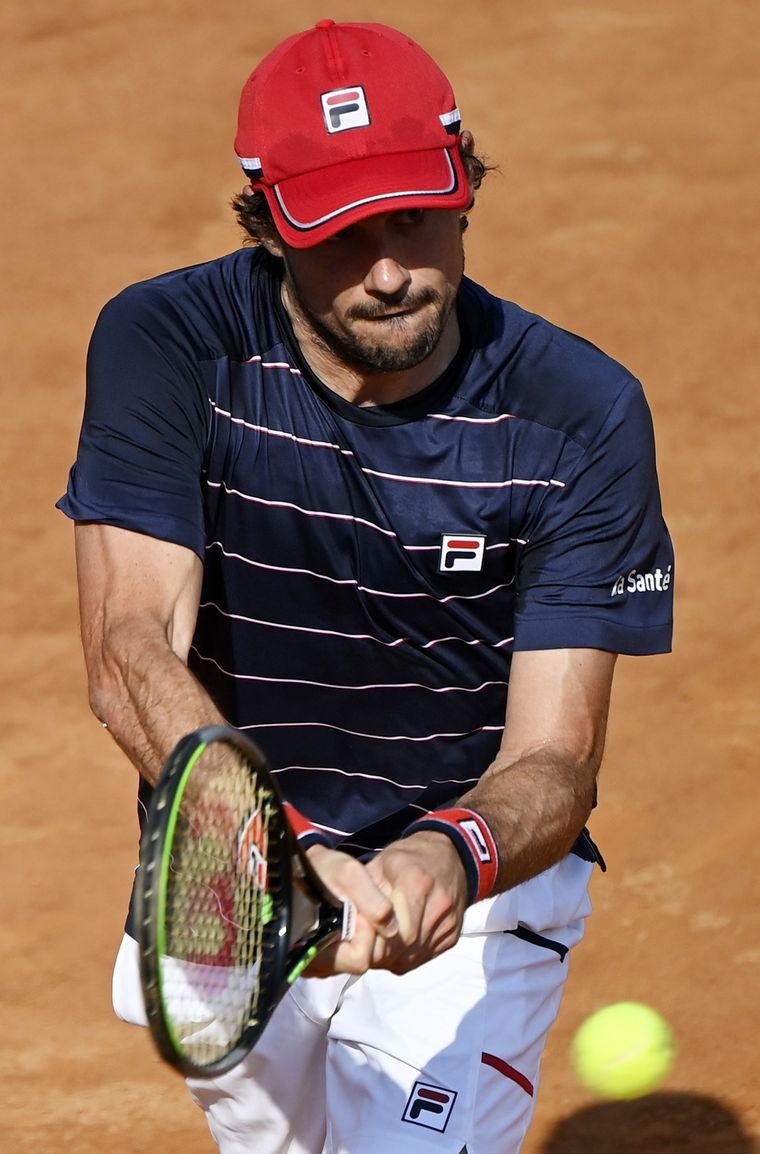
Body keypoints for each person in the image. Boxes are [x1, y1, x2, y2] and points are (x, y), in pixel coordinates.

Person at [58, 19, 674, 1154]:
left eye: (413, 215)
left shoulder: (580, 414)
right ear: (266, 222)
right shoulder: (169, 344)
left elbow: (557, 758)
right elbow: (128, 650)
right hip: (232, 868)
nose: (390, 269)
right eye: (342, 233)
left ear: (463, 189)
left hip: (471, 882)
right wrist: (277, 850)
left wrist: (451, 852)